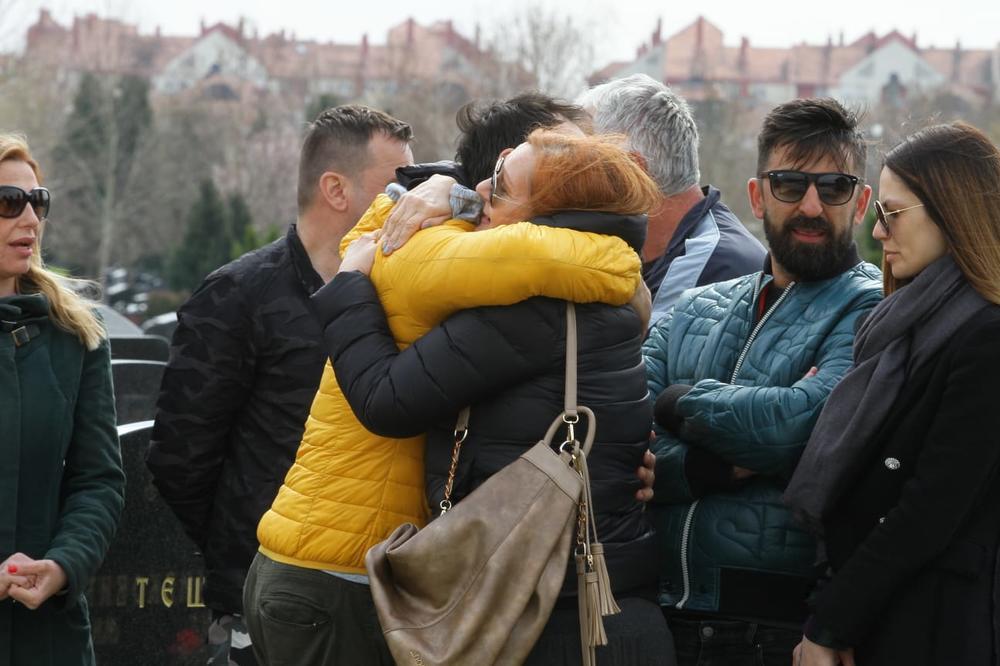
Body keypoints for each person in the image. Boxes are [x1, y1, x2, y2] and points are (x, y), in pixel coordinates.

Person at [246, 126, 661, 664]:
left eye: (501, 185)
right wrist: (449, 189)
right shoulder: (604, 293)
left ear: (546, 224)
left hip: (550, 620)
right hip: (595, 600)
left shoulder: (535, 311)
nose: (481, 191)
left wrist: (348, 287)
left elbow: (387, 400)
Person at [146, 105, 414, 664]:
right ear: (335, 189)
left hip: (382, 593)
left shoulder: (400, 293)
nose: (410, 199)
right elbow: (181, 457)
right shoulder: (239, 294)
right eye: (396, 184)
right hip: (265, 595)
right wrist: (243, 551)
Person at [642, 98, 883, 666]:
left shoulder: (873, 308)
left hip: (773, 634)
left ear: (861, 203)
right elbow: (625, 435)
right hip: (658, 617)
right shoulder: (695, 306)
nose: (811, 205)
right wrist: (713, 466)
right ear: (757, 196)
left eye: (834, 187)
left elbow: (801, 427)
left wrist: (677, 403)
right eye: (789, 183)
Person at [786, 122, 1000, 666]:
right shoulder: (903, 326)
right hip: (881, 617)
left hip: (933, 628)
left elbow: (927, 512)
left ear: (952, 211)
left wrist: (830, 626)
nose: (878, 232)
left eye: (893, 212)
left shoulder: (985, 337)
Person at [0, 134, 125, 665]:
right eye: (9, 202)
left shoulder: (74, 332)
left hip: (46, 637)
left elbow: (98, 479)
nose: (30, 219)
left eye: (38, 201)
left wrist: (64, 564)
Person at [579, 74, 766, 324]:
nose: (573, 180)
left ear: (632, 172)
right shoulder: (662, 251)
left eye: (583, 163)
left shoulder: (715, 271)